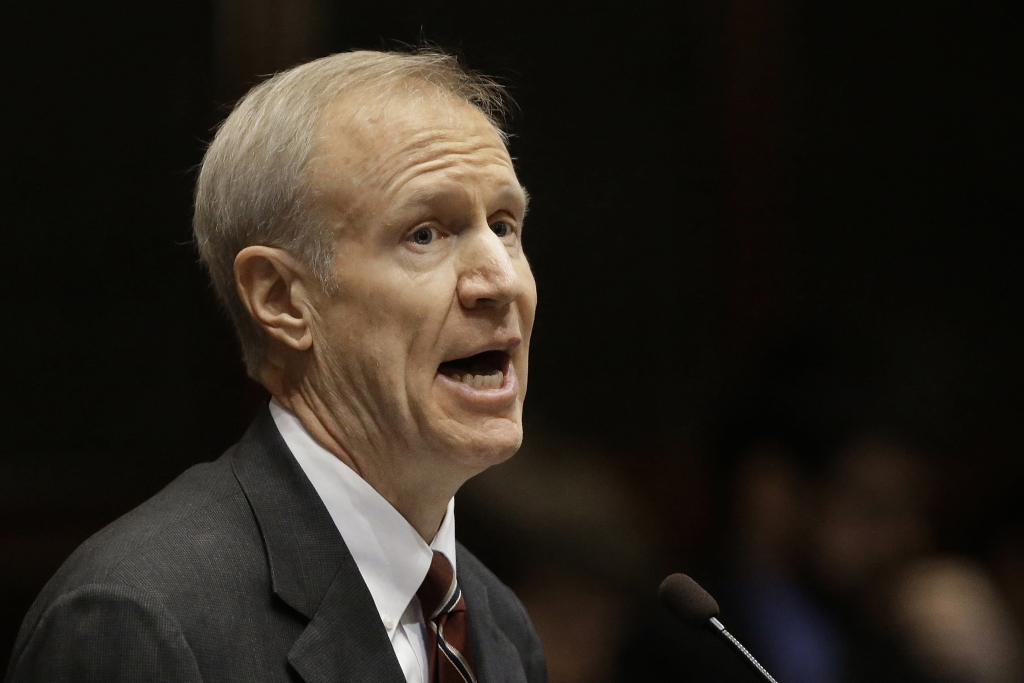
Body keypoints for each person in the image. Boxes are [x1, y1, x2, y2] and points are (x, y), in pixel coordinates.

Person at [5, 49, 546, 683]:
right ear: (282, 299)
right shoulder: (141, 621)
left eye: (505, 226)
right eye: (425, 233)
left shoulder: (497, 625)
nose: (501, 282)